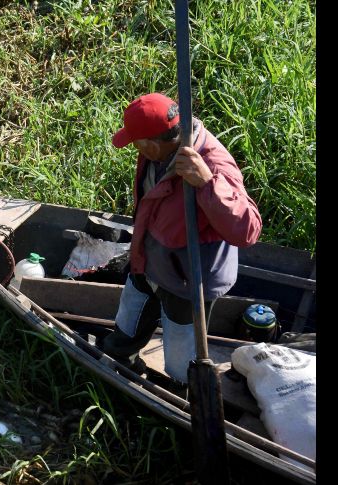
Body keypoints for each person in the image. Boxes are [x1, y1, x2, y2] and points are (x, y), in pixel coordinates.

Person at [96, 93, 262, 386]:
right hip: (147, 258)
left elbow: (247, 230)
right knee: (130, 316)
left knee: (181, 353)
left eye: (136, 143)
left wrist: (207, 184)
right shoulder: (157, 153)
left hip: (186, 281)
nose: (135, 149)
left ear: (151, 144)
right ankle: (120, 359)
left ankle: (181, 390)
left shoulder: (213, 164)